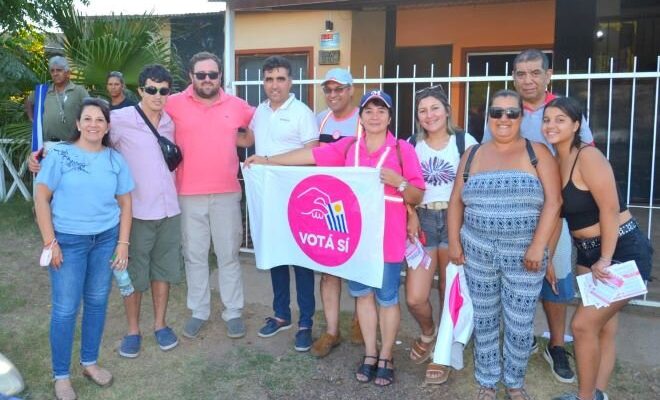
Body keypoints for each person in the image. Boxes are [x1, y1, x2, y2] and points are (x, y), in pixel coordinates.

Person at [245, 90, 425, 387]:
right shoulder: (349, 147)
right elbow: (309, 155)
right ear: (361, 117)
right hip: (356, 238)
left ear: (390, 117)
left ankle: (387, 356)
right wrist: (265, 159)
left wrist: (399, 181)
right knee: (363, 296)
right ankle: (370, 353)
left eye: (382, 110)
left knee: (388, 298)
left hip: (387, 238)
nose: (375, 116)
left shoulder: (403, 150)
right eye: (369, 110)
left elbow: (417, 194)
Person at [483, 49, 594, 383]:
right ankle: (523, 336)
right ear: (513, 77)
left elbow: (585, 153)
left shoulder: (561, 109)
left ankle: (557, 345)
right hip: (512, 212)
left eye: (535, 72)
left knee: (555, 278)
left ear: (549, 75)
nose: (527, 79)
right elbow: (490, 156)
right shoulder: (506, 109)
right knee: (512, 276)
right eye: (520, 73)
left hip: (553, 208)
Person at [448, 89, 561, 400]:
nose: (504, 118)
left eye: (512, 113)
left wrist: (539, 247)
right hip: (477, 252)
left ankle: (514, 381)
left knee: (520, 322)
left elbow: (554, 202)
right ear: (489, 117)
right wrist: (456, 243)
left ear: (521, 118)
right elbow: (456, 201)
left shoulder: (537, 152)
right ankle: (486, 381)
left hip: (526, 256)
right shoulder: (472, 154)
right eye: (497, 112)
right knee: (484, 319)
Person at [544, 97, 653, 400]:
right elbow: (556, 216)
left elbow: (609, 208)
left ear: (576, 125)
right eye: (547, 119)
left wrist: (605, 258)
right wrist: (550, 258)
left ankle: (585, 397)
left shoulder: (587, 157)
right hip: (587, 251)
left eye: (560, 120)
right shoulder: (556, 161)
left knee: (582, 326)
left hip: (622, 249)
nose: (551, 125)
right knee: (603, 327)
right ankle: (598, 393)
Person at [34, 98, 134, 400]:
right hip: (68, 242)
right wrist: (51, 242)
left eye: (100, 120)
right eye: (87, 119)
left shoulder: (115, 160)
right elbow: (41, 198)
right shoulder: (60, 155)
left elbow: (126, 202)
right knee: (65, 310)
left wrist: (123, 243)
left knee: (97, 302)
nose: (93, 124)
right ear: (78, 124)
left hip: (105, 240)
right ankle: (61, 375)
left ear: (107, 126)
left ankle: (89, 362)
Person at [164, 51, 255, 340]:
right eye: (201, 74)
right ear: (191, 76)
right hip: (188, 194)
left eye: (212, 74)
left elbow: (259, 128)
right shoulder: (173, 103)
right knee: (195, 256)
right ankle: (199, 310)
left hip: (227, 193)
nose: (206, 79)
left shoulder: (238, 105)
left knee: (228, 255)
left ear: (220, 77)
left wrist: (243, 139)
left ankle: (233, 311)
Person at [405, 85, 478, 384]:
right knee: (415, 296)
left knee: (451, 292)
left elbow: (473, 186)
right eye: (423, 110)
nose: (429, 115)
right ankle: (429, 331)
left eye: (435, 108)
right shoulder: (409, 144)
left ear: (447, 111)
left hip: (454, 219)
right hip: (422, 222)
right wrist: (410, 214)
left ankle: (444, 351)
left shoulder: (464, 141)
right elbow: (404, 188)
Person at [109, 65, 183, 358]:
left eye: (164, 90)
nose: (158, 95)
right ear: (140, 90)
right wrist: (44, 152)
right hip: (136, 212)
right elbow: (91, 138)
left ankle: (160, 325)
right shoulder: (119, 119)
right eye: (151, 89)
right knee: (134, 274)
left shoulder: (170, 123)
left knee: (162, 271)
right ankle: (132, 331)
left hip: (169, 210)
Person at [249, 56, 319, 352]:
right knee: (276, 256)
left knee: (301, 261)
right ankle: (281, 314)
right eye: (269, 79)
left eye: (280, 78)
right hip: (268, 197)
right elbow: (248, 139)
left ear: (291, 81)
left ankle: (305, 322)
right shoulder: (259, 112)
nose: (274, 85)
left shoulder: (302, 113)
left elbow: (312, 154)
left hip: (297, 198)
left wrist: (268, 161)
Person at [310, 68, 363, 357]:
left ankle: (359, 319)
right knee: (328, 270)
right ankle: (332, 331)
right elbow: (312, 157)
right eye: (328, 90)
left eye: (339, 89)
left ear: (350, 90)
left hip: (356, 203)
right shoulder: (320, 120)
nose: (333, 95)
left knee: (357, 265)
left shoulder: (365, 119)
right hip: (328, 203)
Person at [25, 56, 89, 146]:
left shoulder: (78, 91)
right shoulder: (43, 91)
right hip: (46, 145)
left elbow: (91, 110)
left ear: (67, 73)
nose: (55, 73)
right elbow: (28, 101)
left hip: (72, 144)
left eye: (59, 70)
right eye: (52, 71)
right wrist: (32, 119)